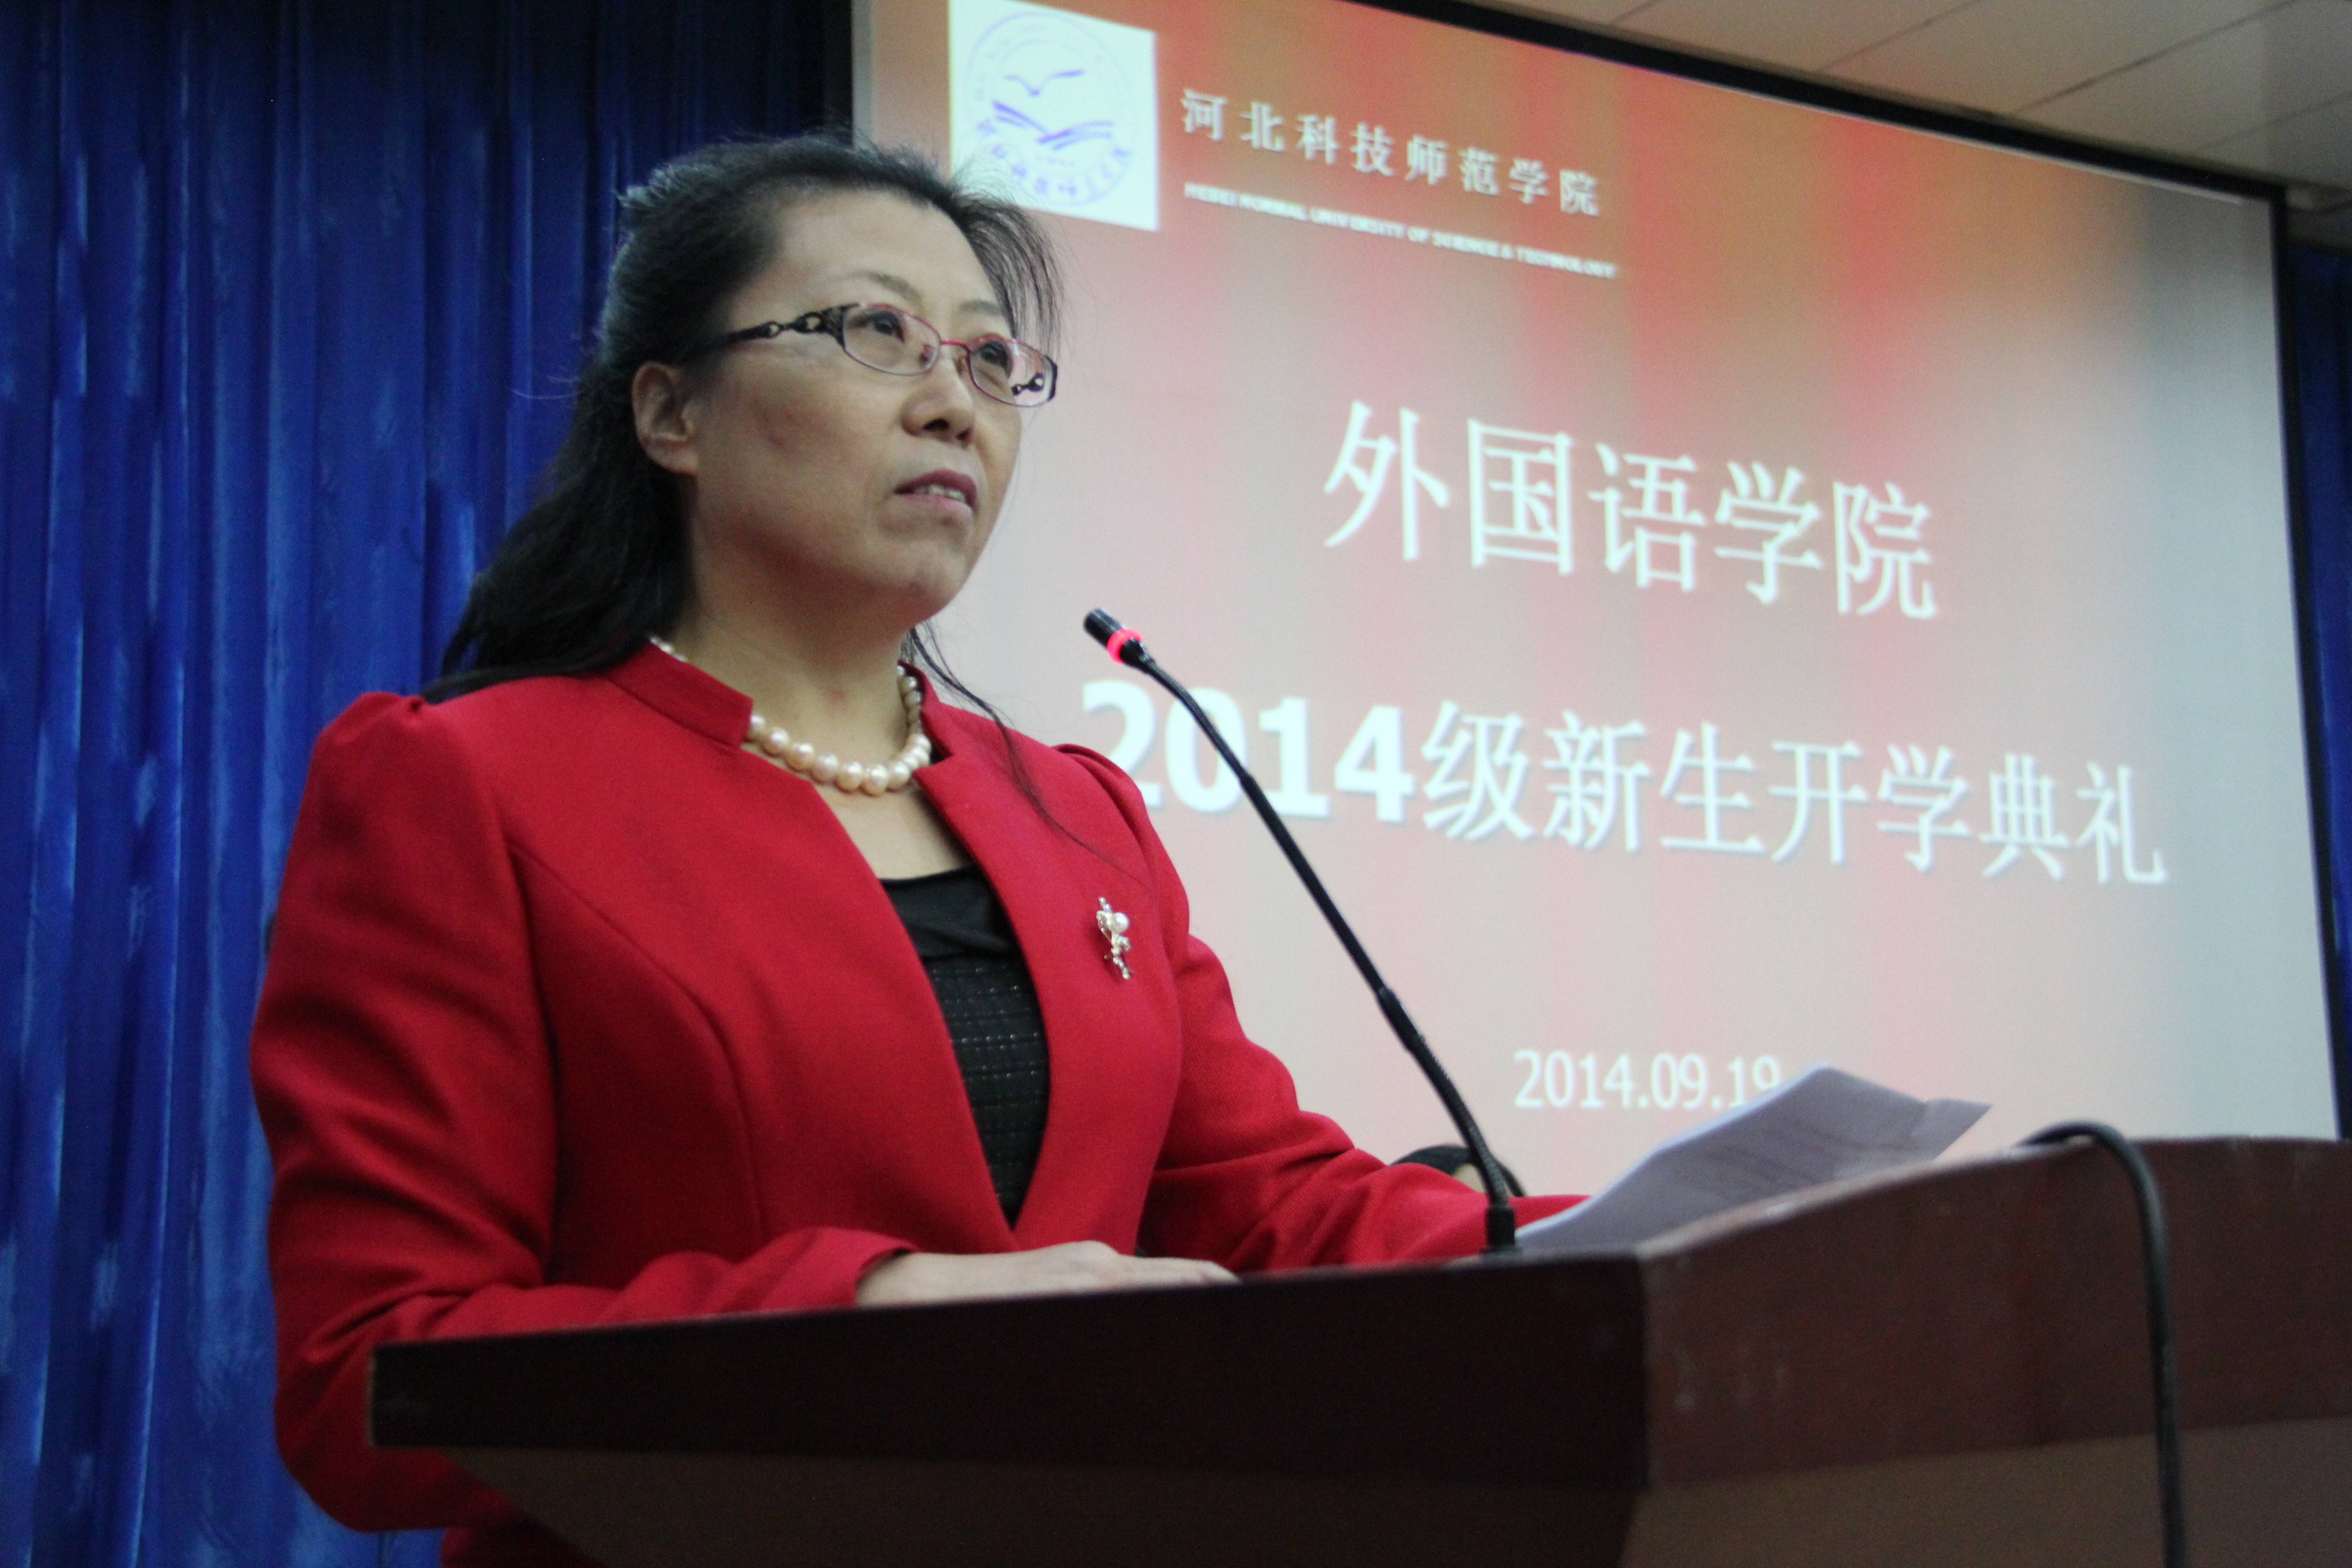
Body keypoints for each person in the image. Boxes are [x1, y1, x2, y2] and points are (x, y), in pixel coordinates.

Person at [250, 135, 1570, 1567]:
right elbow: (367, 1376)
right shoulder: (464, 785)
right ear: (672, 412)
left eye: (993, 361)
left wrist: (1634, 1239)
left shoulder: (1077, 812)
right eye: (875, 331)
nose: (954, 401)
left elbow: (1273, 1212)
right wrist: (872, 1314)